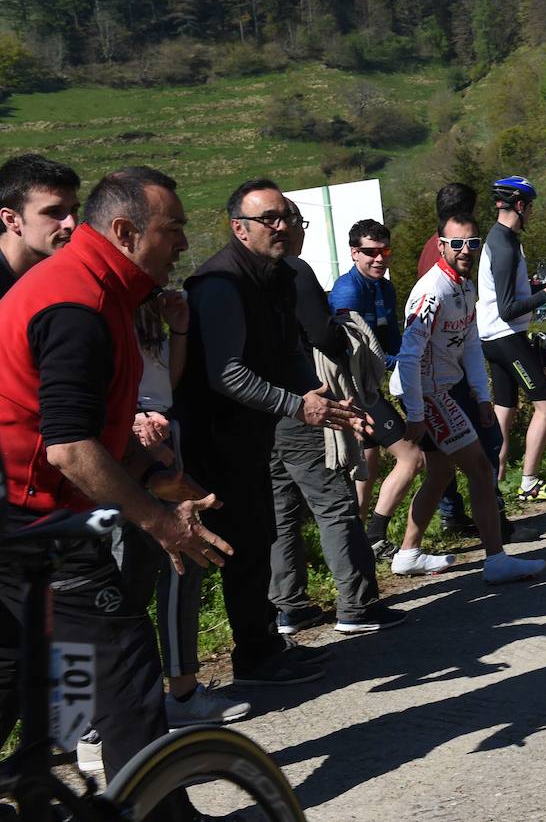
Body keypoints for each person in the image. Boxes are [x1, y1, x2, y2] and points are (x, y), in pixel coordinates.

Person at [0, 167, 230, 814]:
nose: (184, 242)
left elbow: (90, 431)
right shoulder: (77, 303)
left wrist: (154, 474)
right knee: (124, 664)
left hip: (28, 514)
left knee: (25, 674)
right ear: (126, 231)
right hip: (34, 518)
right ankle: (158, 811)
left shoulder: (99, 290)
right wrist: (159, 520)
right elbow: (69, 447)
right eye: (174, 228)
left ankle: (64, 783)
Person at [177, 178, 362, 687]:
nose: (282, 226)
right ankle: (234, 664)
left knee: (260, 538)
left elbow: (287, 353)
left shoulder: (277, 276)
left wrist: (317, 393)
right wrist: (296, 405)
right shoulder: (220, 284)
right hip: (213, 437)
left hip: (253, 431)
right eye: (269, 219)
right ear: (239, 228)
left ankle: (261, 649)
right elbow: (226, 374)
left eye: (288, 217)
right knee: (239, 547)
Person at [114, 292, 252, 729]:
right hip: (122, 448)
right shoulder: (95, 304)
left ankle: (183, 691)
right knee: (120, 580)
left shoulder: (148, 306)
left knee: (182, 565)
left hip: (162, 436)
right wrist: (133, 418)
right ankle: (100, 722)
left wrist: (179, 327)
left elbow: (163, 384)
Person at [392, 197, 546, 583]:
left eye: (472, 244)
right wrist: (414, 412)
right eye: (456, 244)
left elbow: (471, 344)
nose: (465, 251)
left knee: (442, 472)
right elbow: (409, 356)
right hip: (427, 392)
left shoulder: (465, 285)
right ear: (441, 246)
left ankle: (408, 554)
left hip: (444, 387)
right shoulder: (433, 291)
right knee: (479, 468)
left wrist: (480, 395)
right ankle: (496, 560)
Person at [271, 208, 405, 636]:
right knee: (336, 507)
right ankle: (357, 606)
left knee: (282, 514)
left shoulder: (239, 275)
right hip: (306, 405)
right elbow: (323, 334)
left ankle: (290, 607)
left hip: (262, 408)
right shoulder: (293, 269)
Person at [476, 176, 546, 502]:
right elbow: (509, 309)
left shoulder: (501, 239)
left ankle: (493, 484)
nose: (532, 213)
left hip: (493, 335)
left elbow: (517, 294)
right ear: (519, 206)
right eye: (530, 207)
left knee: (504, 412)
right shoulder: (504, 246)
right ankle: (529, 483)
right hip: (506, 335)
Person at [329, 218, 424, 558]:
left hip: (371, 386)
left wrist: (410, 362)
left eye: (385, 251)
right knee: (412, 457)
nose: (379, 259)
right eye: (370, 252)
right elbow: (351, 351)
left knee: (366, 468)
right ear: (354, 253)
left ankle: (353, 548)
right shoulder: (347, 290)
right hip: (352, 390)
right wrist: (396, 363)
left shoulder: (384, 287)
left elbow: (392, 340)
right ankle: (373, 535)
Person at [0, 153, 79, 296]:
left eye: (74, 210)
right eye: (53, 211)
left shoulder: (70, 274)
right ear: (11, 220)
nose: (71, 224)